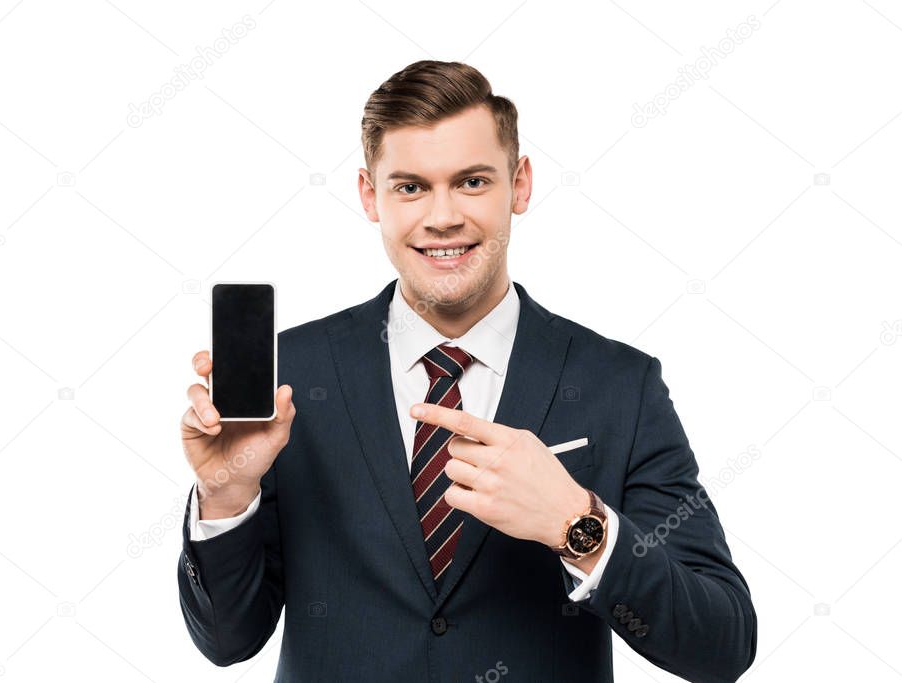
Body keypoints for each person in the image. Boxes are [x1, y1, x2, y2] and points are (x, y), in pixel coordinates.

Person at [177, 60, 756, 682]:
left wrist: (574, 522)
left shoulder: (621, 385)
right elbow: (228, 642)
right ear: (371, 196)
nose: (443, 216)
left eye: (473, 181)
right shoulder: (288, 380)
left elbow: (719, 645)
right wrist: (227, 493)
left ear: (521, 184)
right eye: (410, 187)